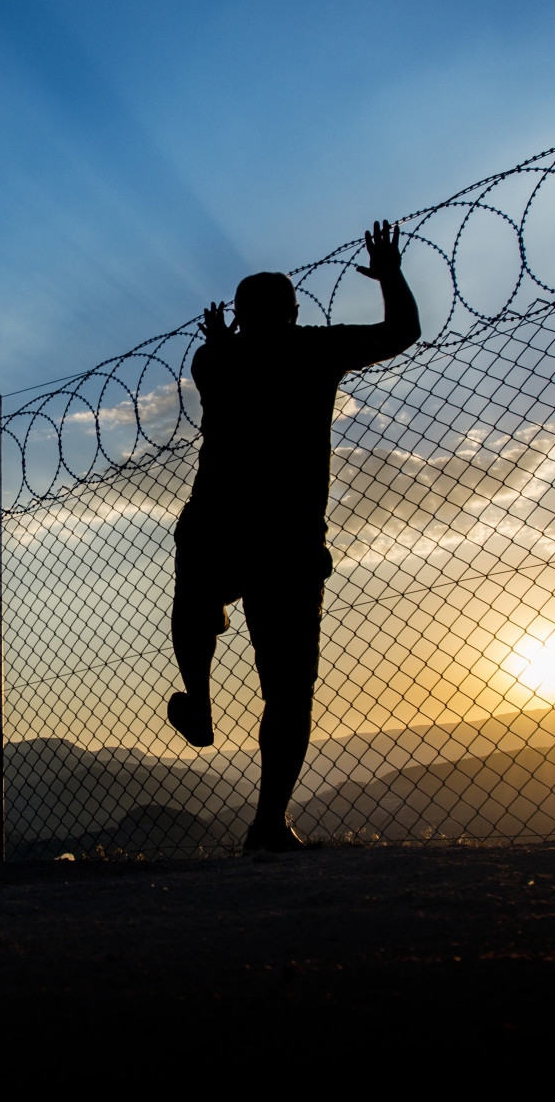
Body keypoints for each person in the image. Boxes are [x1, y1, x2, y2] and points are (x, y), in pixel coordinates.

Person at [169, 220, 420, 852]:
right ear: (293, 310)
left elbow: (219, 360)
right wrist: (389, 274)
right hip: (286, 537)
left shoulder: (213, 360)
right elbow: (402, 334)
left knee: (198, 595)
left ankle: (197, 698)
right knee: (287, 686)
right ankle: (268, 821)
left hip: (217, 523)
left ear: (237, 313)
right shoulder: (312, 349)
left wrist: (223, 338)